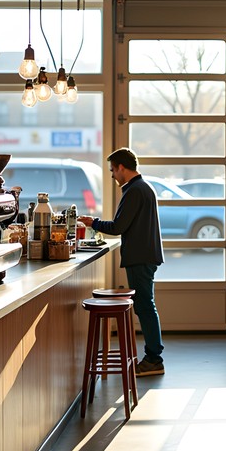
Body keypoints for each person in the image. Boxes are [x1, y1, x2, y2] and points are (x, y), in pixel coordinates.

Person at [77, 148, 166, 377]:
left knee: (145, 307)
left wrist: (93, 222)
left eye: (113, 170)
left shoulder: (135, 190)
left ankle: (154, 359)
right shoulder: (143, 187)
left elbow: (117, 227)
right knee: (146, 305)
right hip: (145, 256)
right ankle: (154, 356)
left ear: (122, 168)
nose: (112, 175)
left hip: (140, 257)